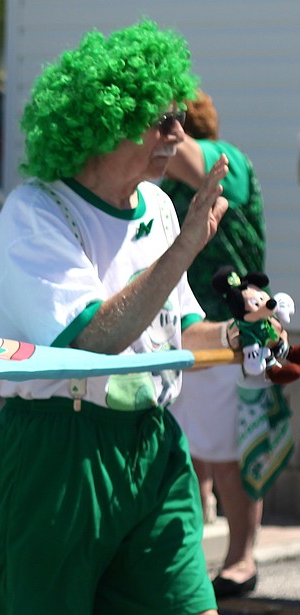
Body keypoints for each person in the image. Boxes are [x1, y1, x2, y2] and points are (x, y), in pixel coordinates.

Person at [0, 20, 232, 614]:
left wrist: (239, 335)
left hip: (151, 442)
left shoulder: (161, 206)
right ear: (106, 123)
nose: (178, 132)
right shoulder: (34, 214)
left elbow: (175, 332)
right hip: (59, 450)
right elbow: (93, 337)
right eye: (160, 119)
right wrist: (184, 250)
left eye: (178, 117)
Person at [162, 89, 271, 598]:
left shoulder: (225, 161)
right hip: (189, 325)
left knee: (228, 450)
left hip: (232, 328)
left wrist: (158, 121)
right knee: (194, 450)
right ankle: (198, 555)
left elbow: (185, 156)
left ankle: (241, 560)